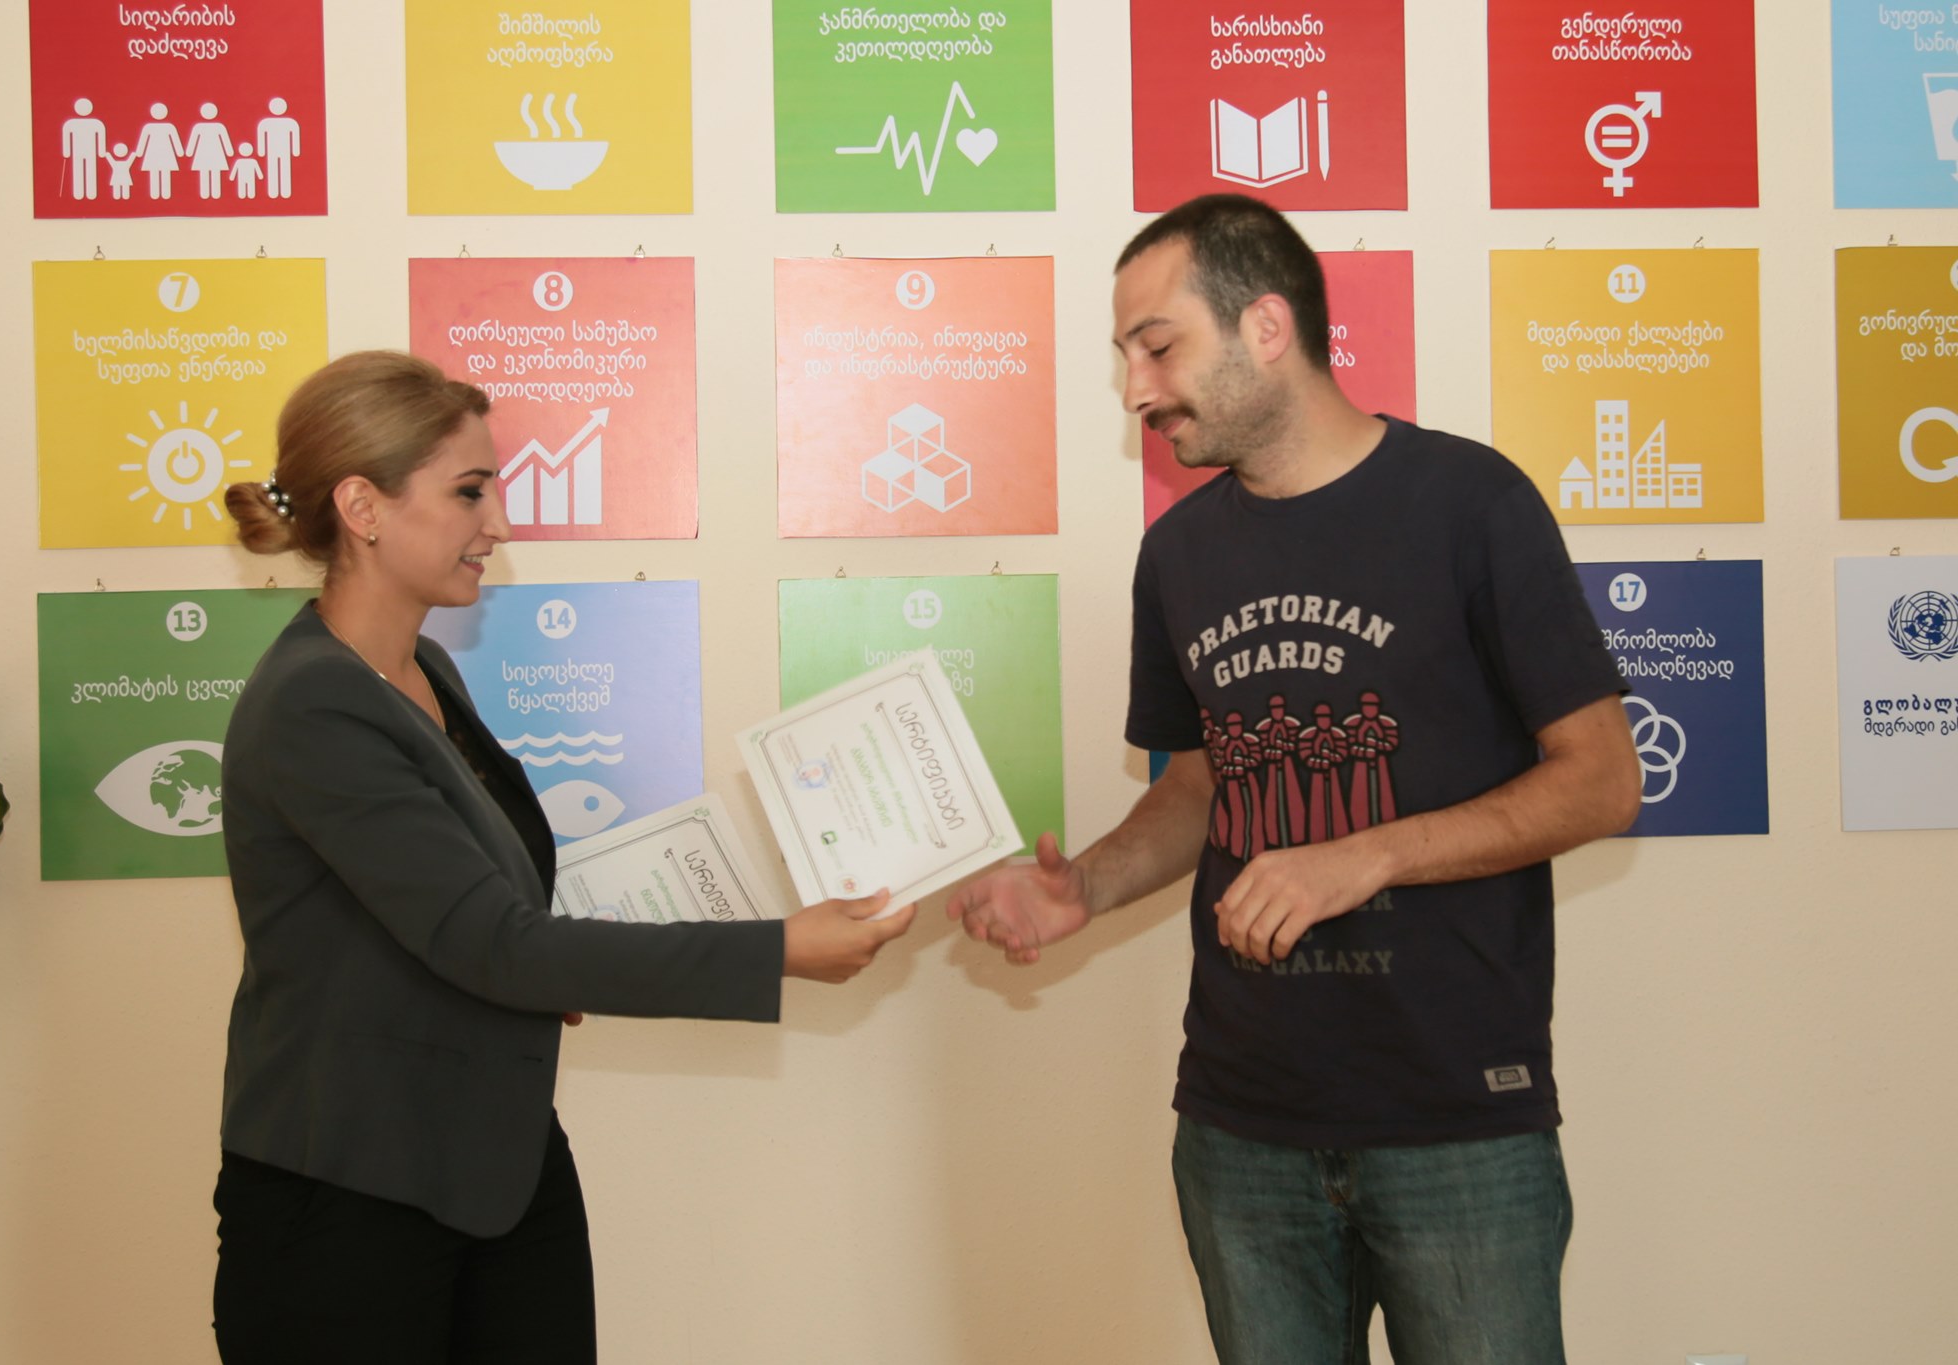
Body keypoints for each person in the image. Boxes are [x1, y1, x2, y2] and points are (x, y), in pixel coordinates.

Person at [947, 195, 1640, 1364]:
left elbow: (1601, 783)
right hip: (1240, 1128)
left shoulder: (1469, 503)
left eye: (1155, 346)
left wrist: (1365, 855)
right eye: (1124, 356)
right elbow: (1201, 783)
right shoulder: (1179, 553)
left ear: (1265, 326)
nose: (1133, 389)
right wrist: (1087, 887)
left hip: (1456, 1120)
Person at [214, 350, 914, 1363]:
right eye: (468, 492)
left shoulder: (423, 669)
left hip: (493, 1166)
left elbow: (481, 916)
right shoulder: (313, 703)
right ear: (362, 507)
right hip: (352, 1197)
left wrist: (556, 966)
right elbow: (495, 944)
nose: (497, 524)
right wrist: (777, 951)